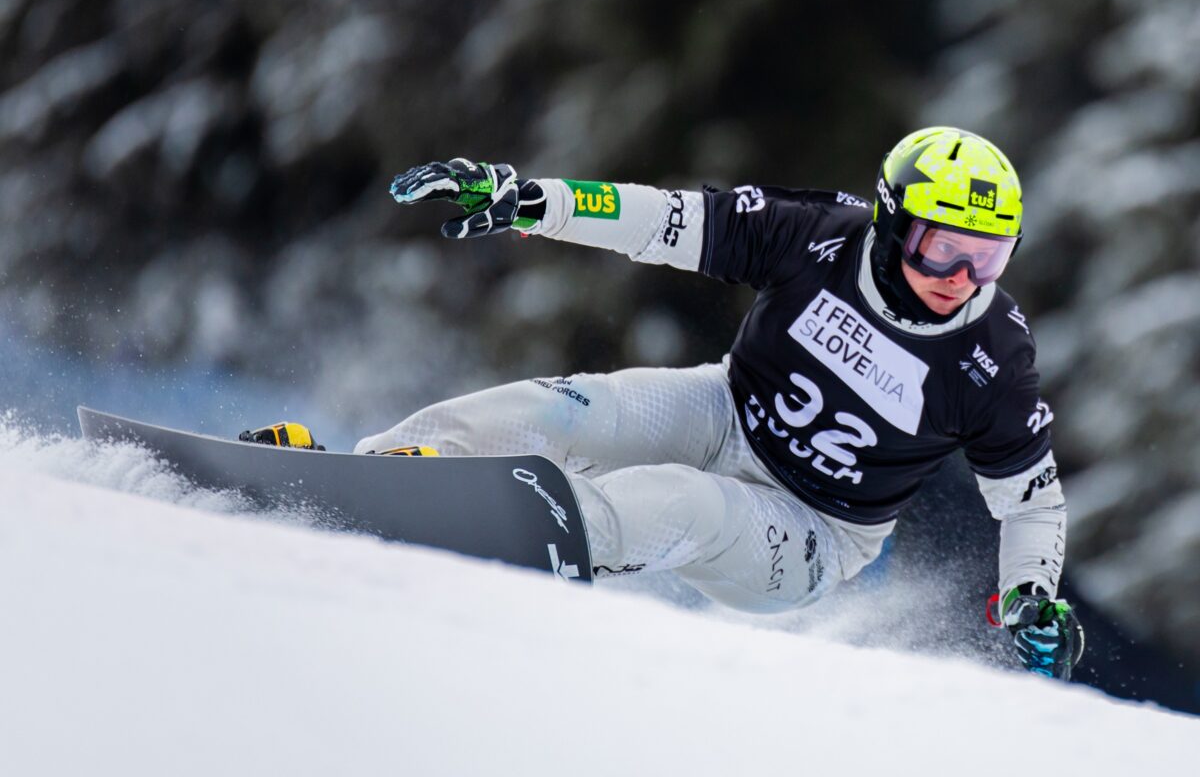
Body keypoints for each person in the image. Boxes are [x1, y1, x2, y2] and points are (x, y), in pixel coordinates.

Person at [254, 127, 1085, 679]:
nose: (961, 282)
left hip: (814, 532)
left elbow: (1032, 504)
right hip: (727, 407)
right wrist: (535, 199)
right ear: (894, 222)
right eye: (945, 250)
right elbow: (667, 221)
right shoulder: (820, 236)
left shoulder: (992, 358)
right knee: (572, 410)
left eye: (990, 256)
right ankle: (371, 473)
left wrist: (1029, 598)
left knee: (684, 503)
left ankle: (517, 534)